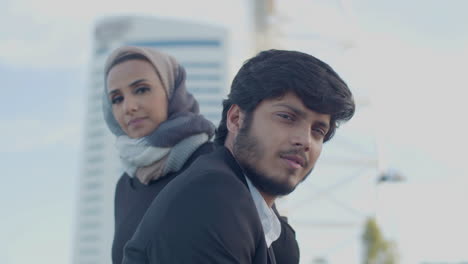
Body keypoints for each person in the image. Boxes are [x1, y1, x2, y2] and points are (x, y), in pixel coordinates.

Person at [122, 49, 356, 264]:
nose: (305, 141)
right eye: (286, 117)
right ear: (235, 119)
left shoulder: (272, 231)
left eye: (318, 131)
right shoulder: (211, 196)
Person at [102, 46, 300, 264]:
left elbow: (282, 250)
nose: (129, 107)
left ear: (171, 90)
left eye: (141, 90)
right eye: (117, 99)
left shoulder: (219, 162)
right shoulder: (126, 185)